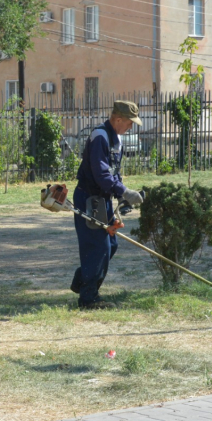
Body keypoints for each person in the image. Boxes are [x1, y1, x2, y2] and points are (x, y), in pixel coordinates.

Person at [71, 100, 144, 309]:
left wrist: (122, 196)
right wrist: (125, 192)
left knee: (110, 244)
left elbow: (113, 174)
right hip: (89, 199)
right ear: (118, 119)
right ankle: (88, 298)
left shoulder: (114, 139)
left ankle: (83, 281)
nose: (131, 127)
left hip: (101, 200)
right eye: (130, 123)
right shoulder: (100, 137)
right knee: (98, 246)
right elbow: (102, 175)